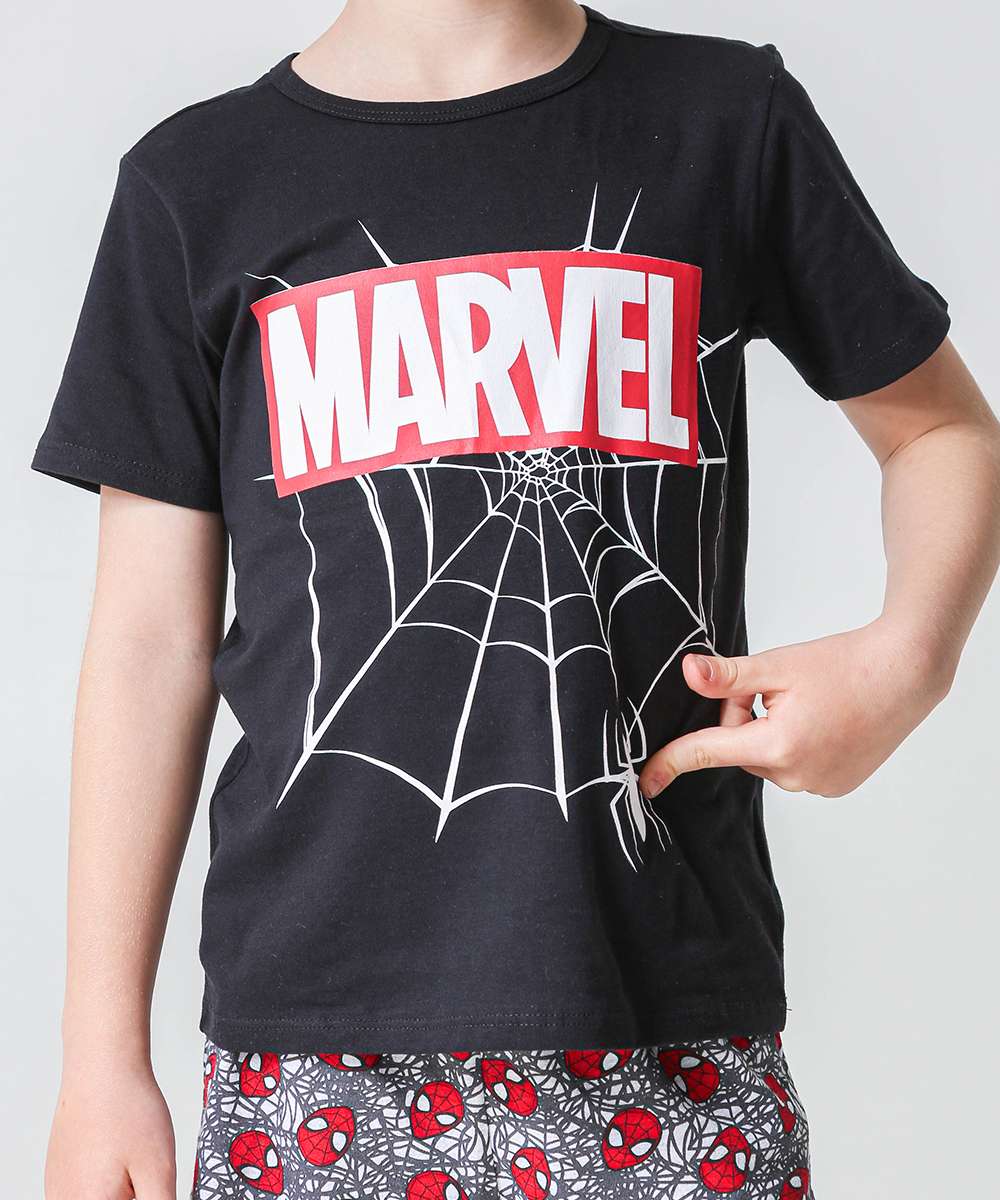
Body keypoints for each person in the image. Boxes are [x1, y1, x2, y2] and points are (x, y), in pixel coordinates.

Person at [36, 1, 999, 1197]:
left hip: (667, 1027)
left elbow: (939, 430)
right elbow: (149, 644)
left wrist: (910, 658)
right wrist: (100, 1061)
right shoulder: (195, 181)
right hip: (309, 1049)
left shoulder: (723, 119)